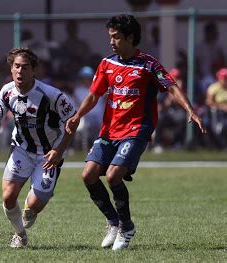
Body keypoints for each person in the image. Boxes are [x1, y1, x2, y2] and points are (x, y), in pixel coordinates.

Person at [65, 15, 206, 251]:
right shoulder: (107, 64)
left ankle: (127, 227)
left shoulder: (149, 65)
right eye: (110, 36)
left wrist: (190, 110)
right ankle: (113, 221)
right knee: (88, 175)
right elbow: (93, 95)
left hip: (136, 130)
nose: (111, 41)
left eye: (116, 37)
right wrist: (78, 115)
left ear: (130, 38)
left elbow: (171, 87)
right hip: (109, 130)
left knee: (113, 176)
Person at [0, 48, 76, 248]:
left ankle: (37, 197)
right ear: (11, 69)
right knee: (8, 196)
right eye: (16, 66)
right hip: (22, 148)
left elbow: (72, 121)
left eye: (25, 67)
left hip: (49, 153)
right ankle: (20, 235)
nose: (20, 71)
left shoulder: (50, 94)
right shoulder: (6, 92)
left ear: (34, 70)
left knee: (34, 206)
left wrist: (59, 150)